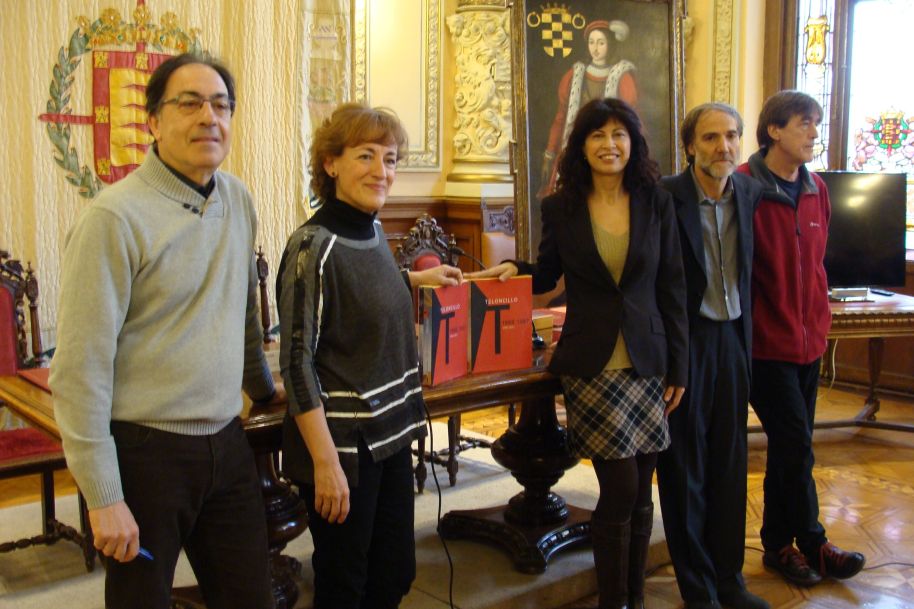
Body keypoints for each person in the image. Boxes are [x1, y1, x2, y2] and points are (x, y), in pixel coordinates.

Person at [50, 53, 283, 609]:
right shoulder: (114, 217)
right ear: (153, 121)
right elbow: (79, 369)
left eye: (222, 105)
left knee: (251, 595)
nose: (210, 116)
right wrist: (103, 496)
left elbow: (243, 314)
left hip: (228, 442)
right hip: (145, 452)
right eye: (190, 103)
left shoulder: (238, 199)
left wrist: (266, 392)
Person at [469, 97, 688, 609]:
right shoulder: (561, 206)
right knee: (618, 487)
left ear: (632, 143)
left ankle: (633, 596)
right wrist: (514, 270)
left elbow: (673, 286)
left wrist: (681, 364)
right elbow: (547, 275)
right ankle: (614, 602)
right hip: (593, 365)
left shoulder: (656, 201)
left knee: (642, 491)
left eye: (618, 134)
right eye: (597, 135)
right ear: (581, 145)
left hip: (649, 361)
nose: (609, 145)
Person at [276, 103, 462, 609]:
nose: (382, 171)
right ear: (331, 163)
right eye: (366, 155)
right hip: (344, 449)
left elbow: (361, 299)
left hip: (391, 435)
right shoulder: (312, 247)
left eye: (391, 158)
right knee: (345, 585)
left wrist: (416, 280)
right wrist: (325, 463)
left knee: (394, 575)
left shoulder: (372, 229)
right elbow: (297, 362)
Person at [737, 90, 866, 587]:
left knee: (791, 448)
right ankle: (812, 541)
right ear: (774, 130)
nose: (814, 132)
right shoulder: (744, 186)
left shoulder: (817, 189)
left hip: (810, 343)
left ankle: (778, 546)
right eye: (804, 123)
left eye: (816, 123)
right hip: (765, 346)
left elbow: (815, 267)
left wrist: (821, 320)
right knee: (796, 444)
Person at [656, 103, 767, 609]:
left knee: (729, 465)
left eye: (731, 136)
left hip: (733, 342)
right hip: (687, 343)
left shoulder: (748, 191)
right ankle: (698, 590)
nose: (724, 147)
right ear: (690, 146)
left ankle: (730, 581)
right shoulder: (664, 199)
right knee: (685, 472)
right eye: (711, 138)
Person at [539, 19, 638, 197]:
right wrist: (550, 152)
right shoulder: (574, 75)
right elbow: (561, 118)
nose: (596, 48)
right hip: (575, 150)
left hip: (609, 153)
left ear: (610, 44)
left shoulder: (623, 77)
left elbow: (633, 122)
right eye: (592, 42)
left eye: (601, 43)